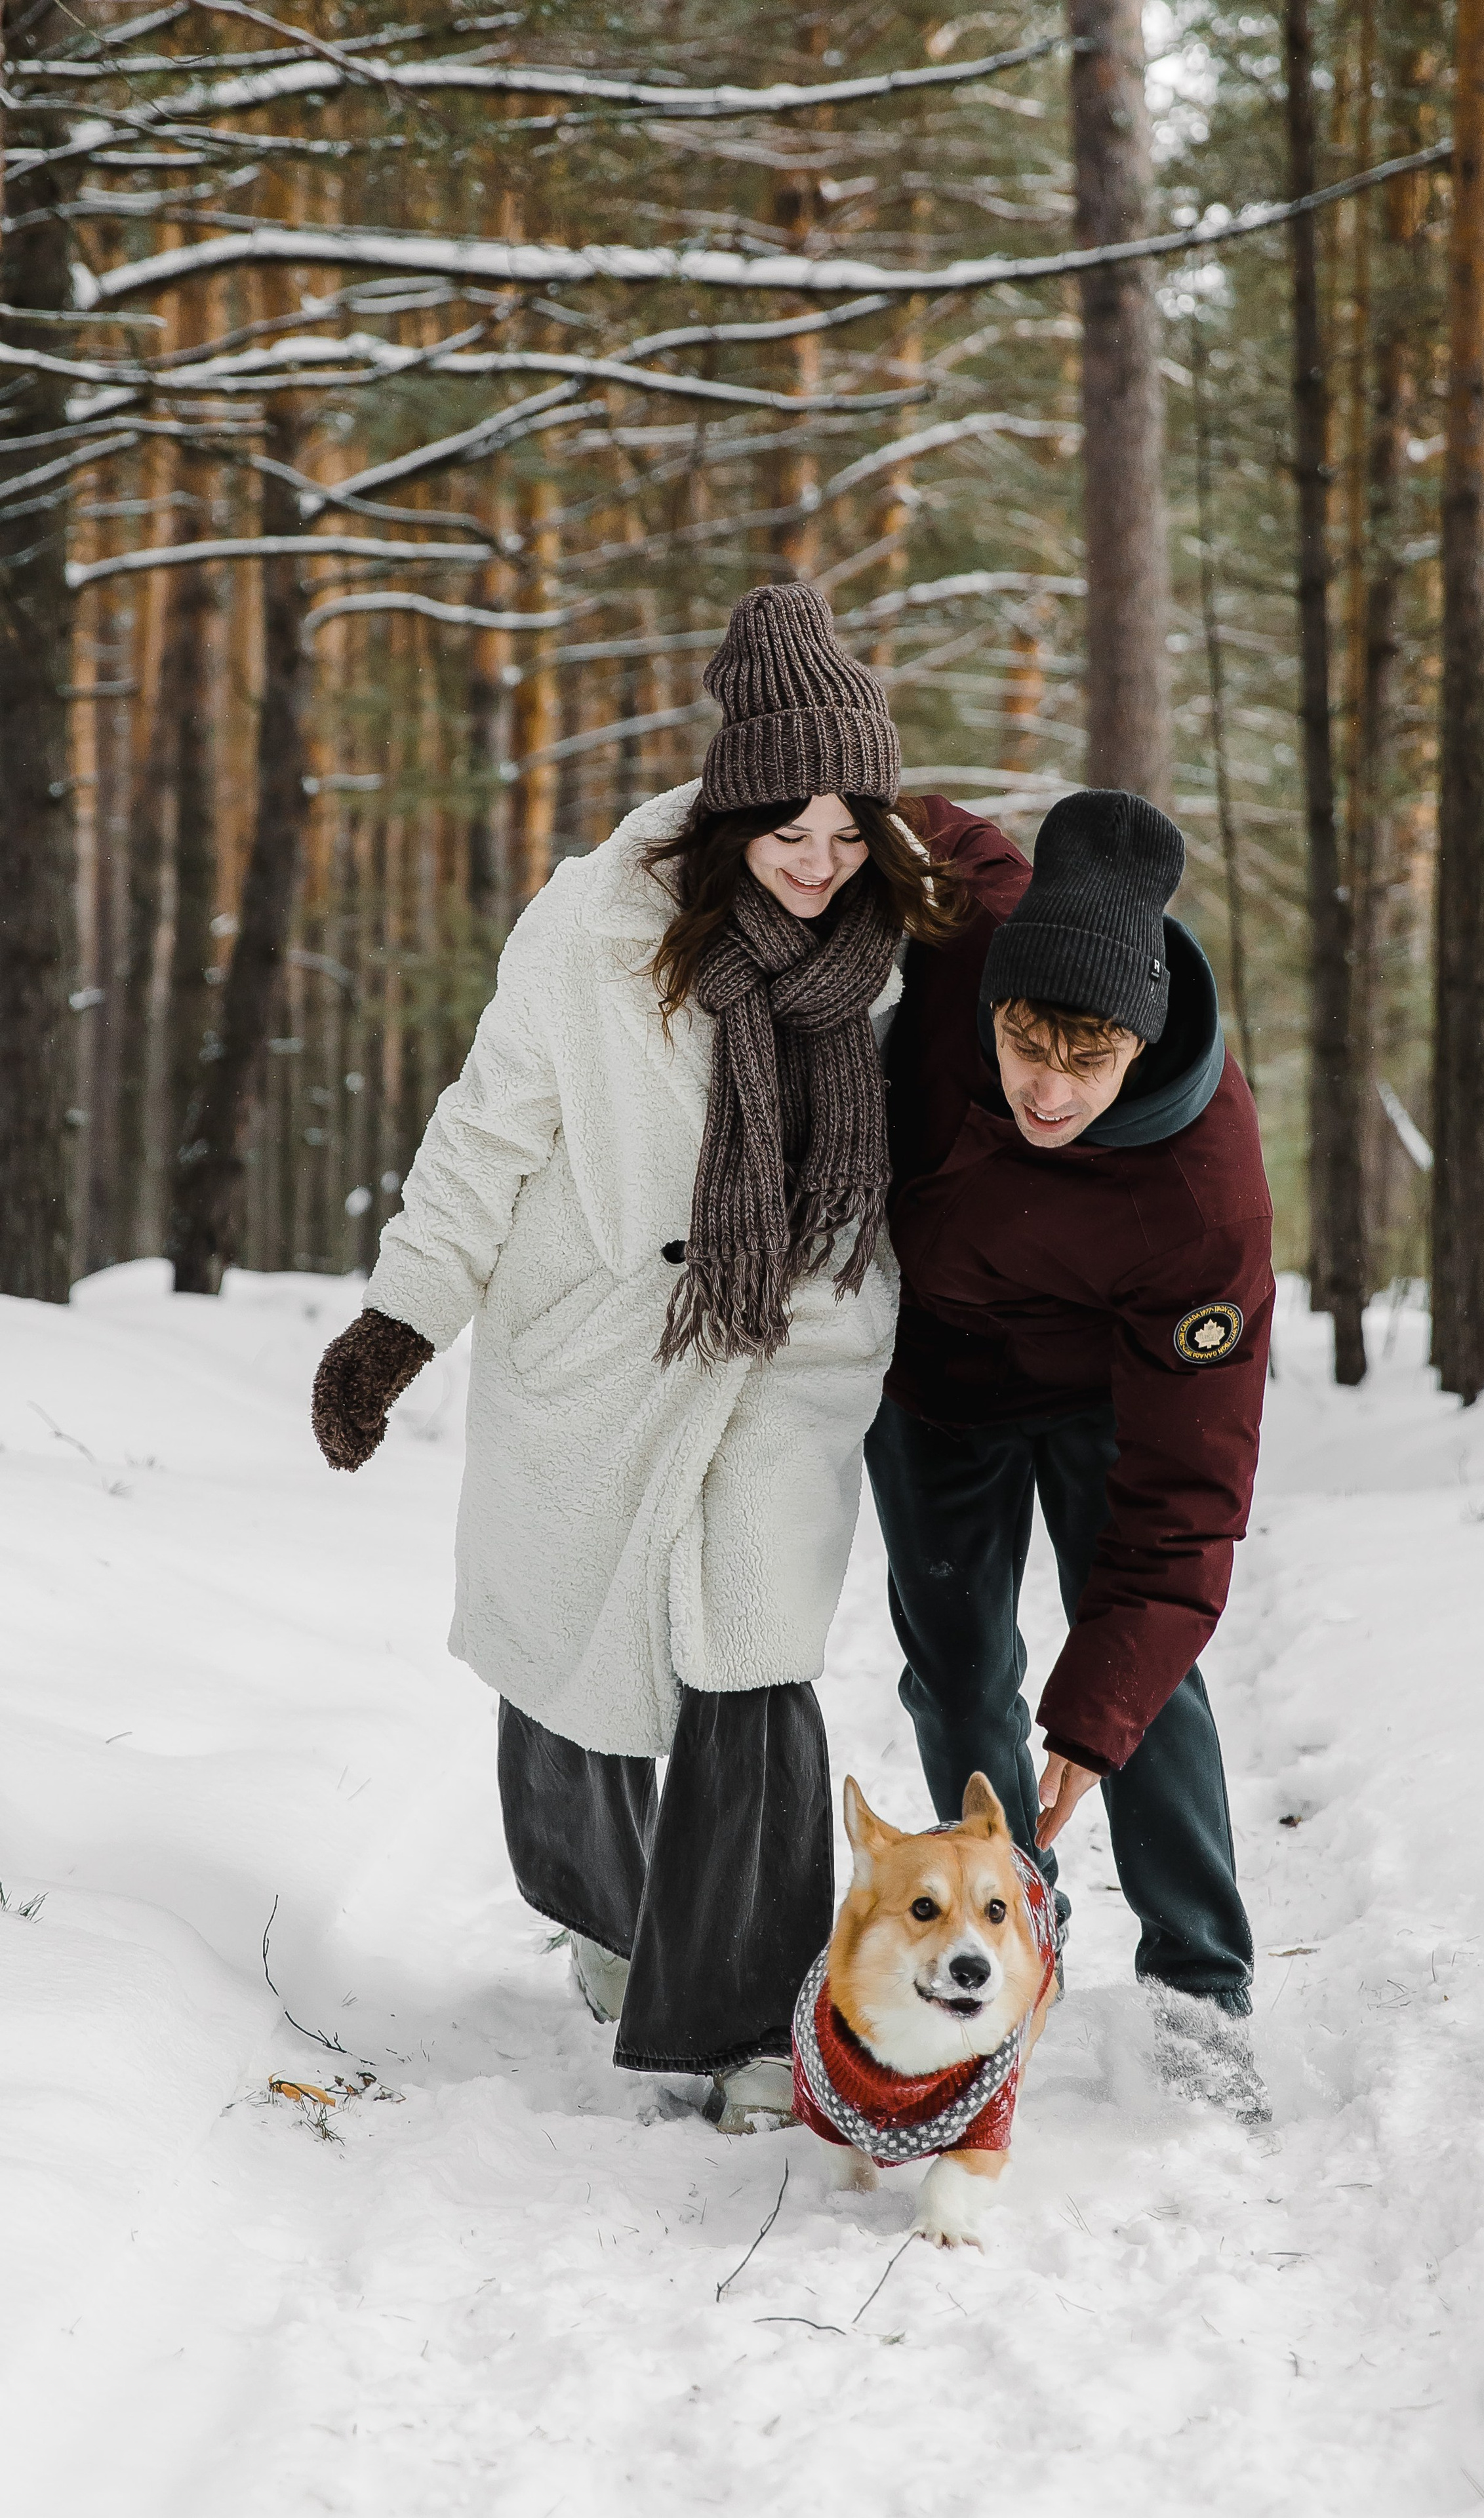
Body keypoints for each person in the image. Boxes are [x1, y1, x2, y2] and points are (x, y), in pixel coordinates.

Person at [308, 584, 971, 2131]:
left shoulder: (894, 936)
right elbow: (487, 1134)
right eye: (786, 835)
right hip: (604, 1335)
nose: (817, 870)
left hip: (790, 1347)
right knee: (570, 1656)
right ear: (729, 811)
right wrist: (401, 1322)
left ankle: (744, 2016)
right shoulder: (594, 930)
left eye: (843, 835)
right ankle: (609, 1918)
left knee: (751, 1659)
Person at [865, 786, 1275, 2120]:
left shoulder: (1199, 1189)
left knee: (1131, 1696)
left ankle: (1198, 1993)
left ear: (1137, 1044)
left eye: (1081, 1062)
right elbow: (886, 804)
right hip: (931, 1380)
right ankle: (1007, 1956)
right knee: (958, 1669)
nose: (1043, 1086)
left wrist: (1094, 1721)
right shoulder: (966, 933)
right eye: (1021, 1042)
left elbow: (1185, 1504)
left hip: (1110, 1394)